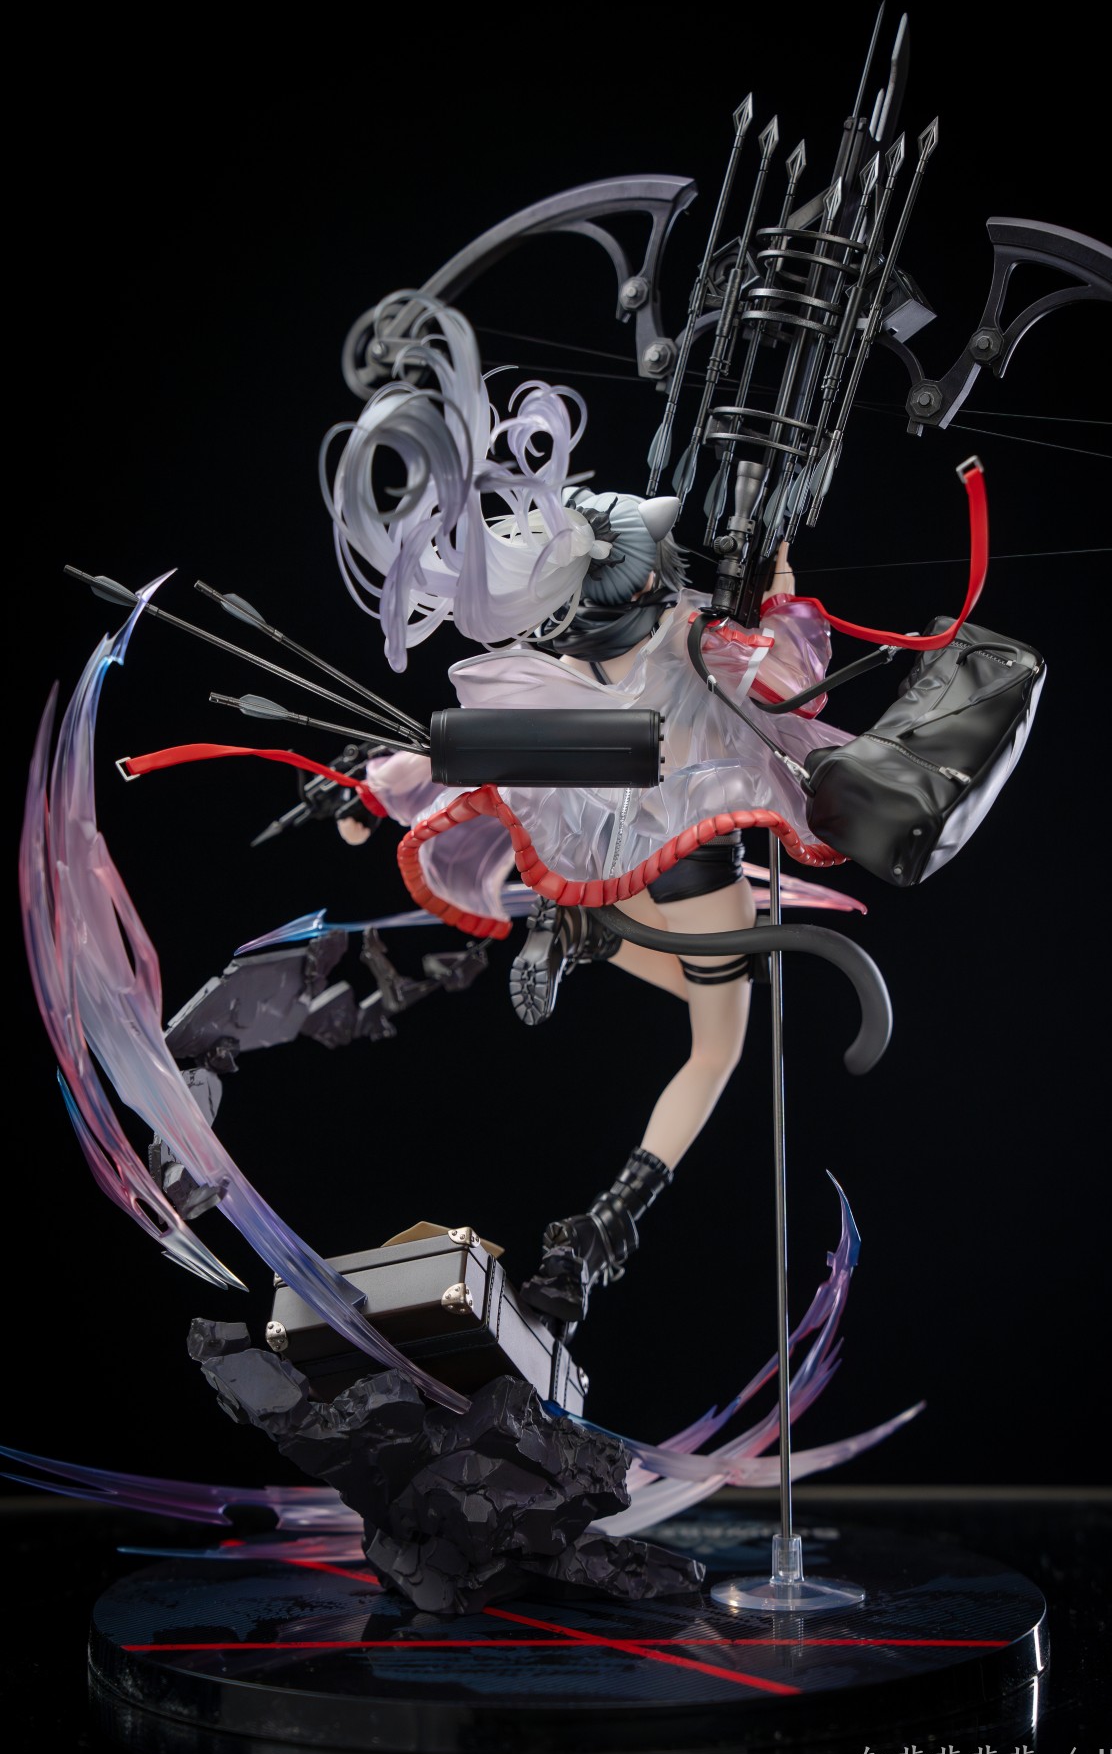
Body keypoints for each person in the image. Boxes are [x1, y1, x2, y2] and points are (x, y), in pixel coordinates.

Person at [326, 297, 852, 1333]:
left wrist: (368, 790)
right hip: (692, 858)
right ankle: (598, 1233)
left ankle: (584, 935)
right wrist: (785, 600)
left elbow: (460, 750)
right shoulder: (703, 639)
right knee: (718, 1047)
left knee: (688, 976)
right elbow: (795, 690)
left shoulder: (560, 670)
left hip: (602, 859)